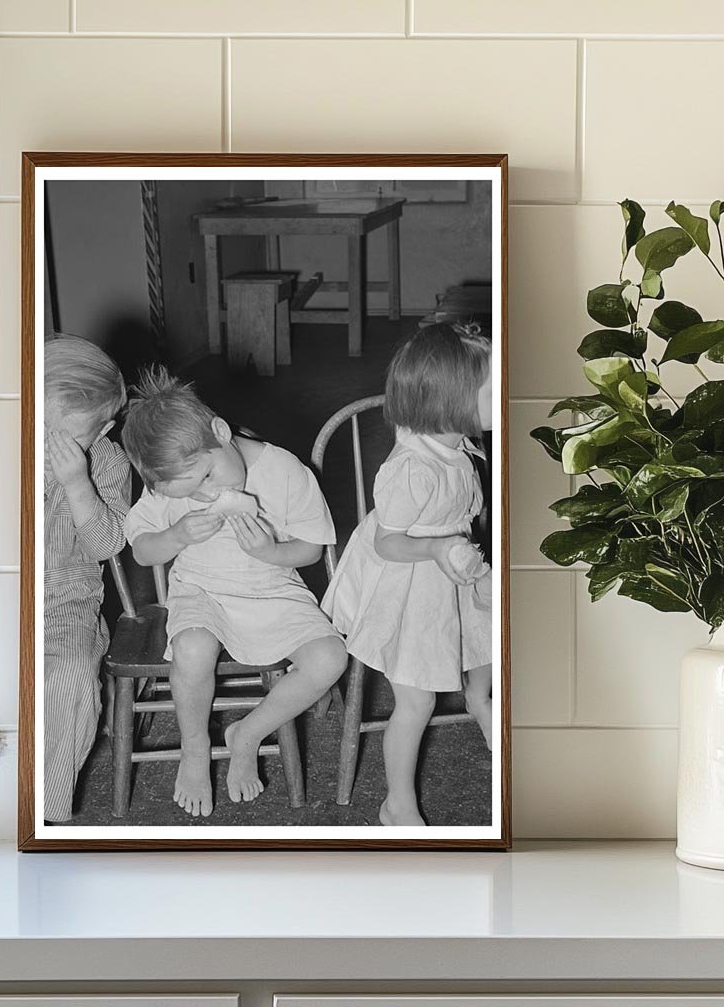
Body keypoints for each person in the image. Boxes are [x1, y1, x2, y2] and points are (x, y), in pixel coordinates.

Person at [122, 366, 347, 819]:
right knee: (191, 648)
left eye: (207, 477)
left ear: (220, 433)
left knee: (330, 658)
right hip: (201, 588)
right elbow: (145, 552)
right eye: (192, 491)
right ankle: (194, 747)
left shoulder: (282, 470)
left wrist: (270, 550)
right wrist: (178, 535)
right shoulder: (175, 478)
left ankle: (247, 733)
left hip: (273, 585)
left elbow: (311, 548)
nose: (207, 495)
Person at [321, 322, 493, 827]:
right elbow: (387, 541)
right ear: (451, 401)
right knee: (416, 700)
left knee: (484, 647)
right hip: (410, 581)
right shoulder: (413, 469)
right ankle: (397, 802)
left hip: (451, 569)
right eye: (490, 389)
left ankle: (481, 702)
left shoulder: (458, 444)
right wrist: (441, 546)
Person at [42, 335, 131, 824]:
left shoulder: (108, 461)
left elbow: (106, 546)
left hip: (67, 601)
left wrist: (78, 484)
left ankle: (45, 806)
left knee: (72, 673)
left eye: (73, 438)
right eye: (47, 431)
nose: (107, 429)